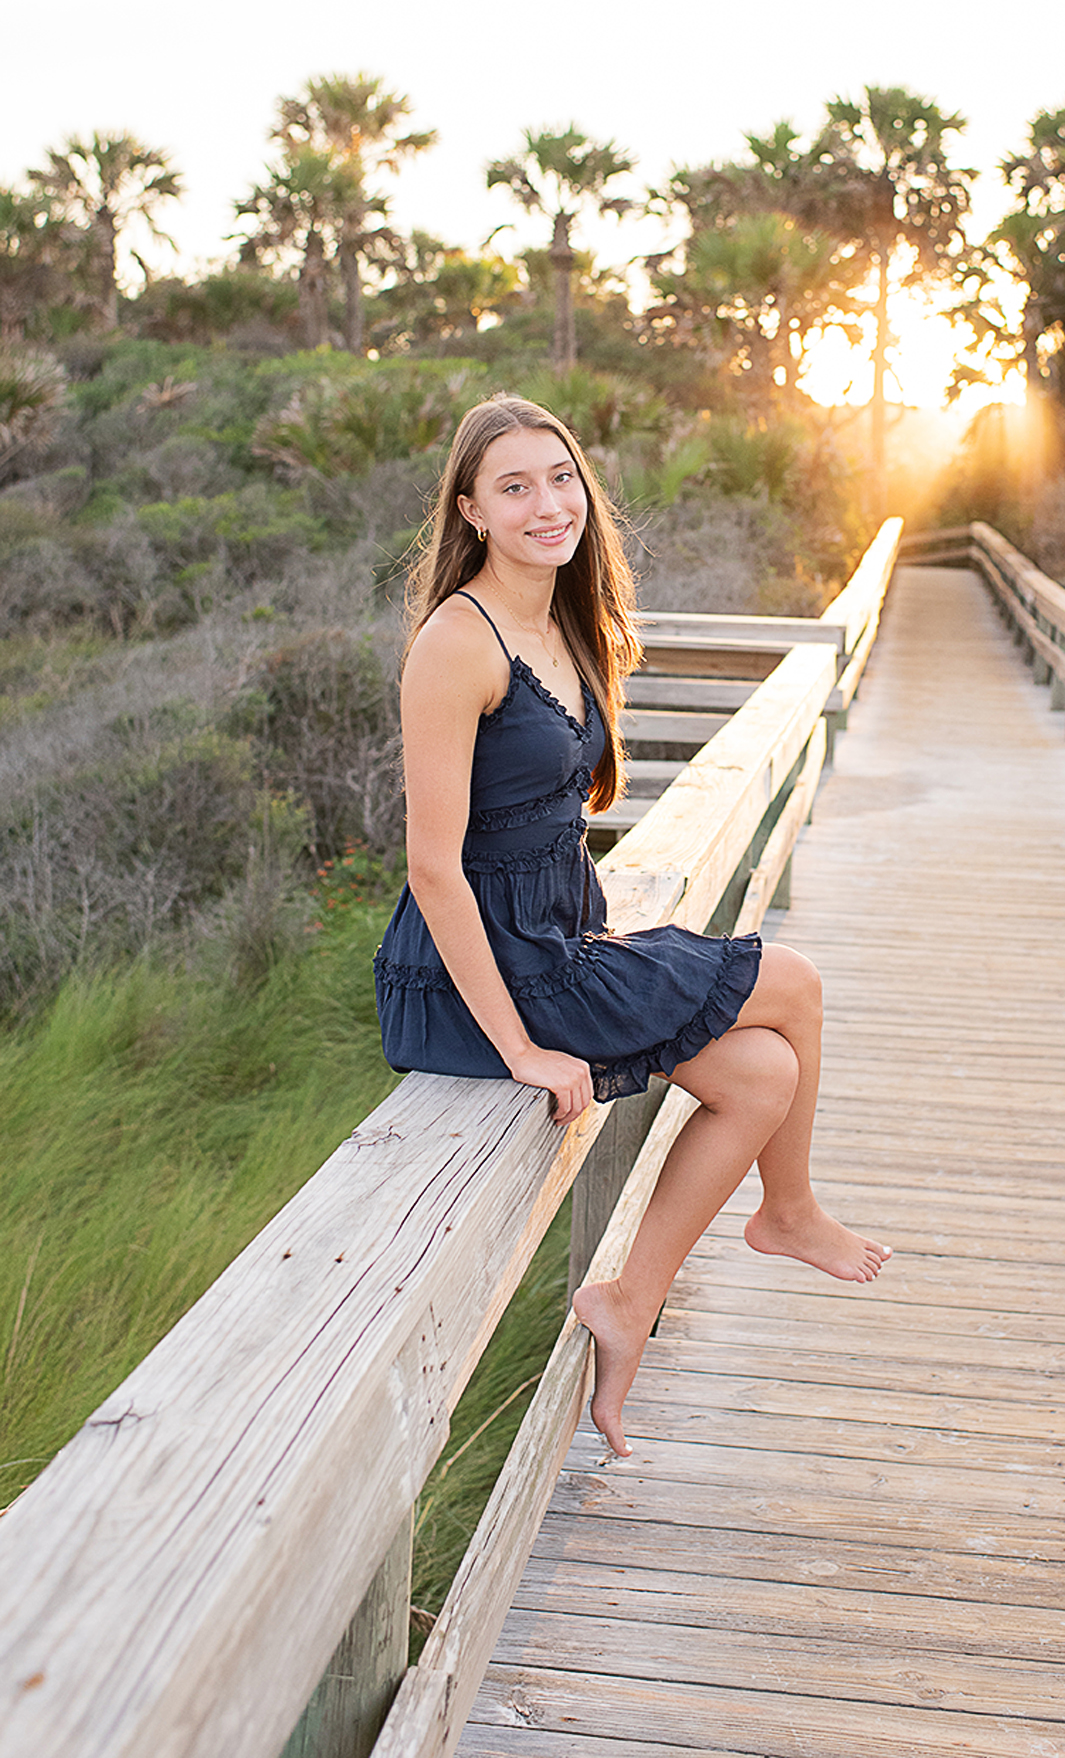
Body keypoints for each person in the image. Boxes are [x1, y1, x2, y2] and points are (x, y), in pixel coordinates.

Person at [375, 394, 889, 1455]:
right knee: (790, 982)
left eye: (559, 477)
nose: (546, 504)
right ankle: (786, 1211)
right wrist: (520, 1046)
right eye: (512, 486)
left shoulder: (562, 619)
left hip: (553, 941)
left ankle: (627, 1298)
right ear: (469, 509)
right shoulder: (455, 642)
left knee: (759, 1079)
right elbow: (433, 867)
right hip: (493, 975)